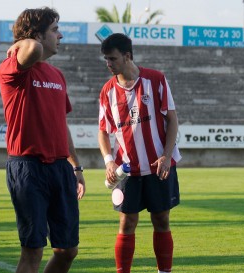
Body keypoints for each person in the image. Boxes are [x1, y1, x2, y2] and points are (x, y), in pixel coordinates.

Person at [0, 7, 86, 273]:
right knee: (33, 249)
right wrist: (24, 40)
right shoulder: (13, 68)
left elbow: (62, 124)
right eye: (54, 30)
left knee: (67, 250)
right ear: (36, 35)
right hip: (28, 167)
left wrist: (76, 166)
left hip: (60, 168)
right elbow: (33, 50)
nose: (60, 36)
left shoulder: (57, 75)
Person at [98, 33, 182, 273]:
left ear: (127, 56)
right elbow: (103, 132)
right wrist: (108, 162)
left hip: (159, 166)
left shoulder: (155, 80)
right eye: (106, 59)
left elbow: (172, 119)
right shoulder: (107, 91)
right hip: (127, 169)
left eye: (112, 58)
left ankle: (163, 272)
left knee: (162, 220)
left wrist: (166, 155)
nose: (108, 64)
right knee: (127, 222)